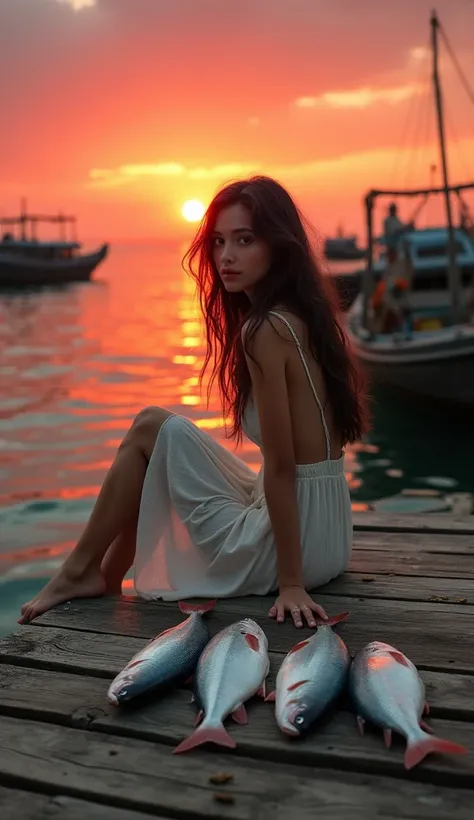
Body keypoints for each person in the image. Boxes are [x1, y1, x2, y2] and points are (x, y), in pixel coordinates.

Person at [19, 176, 368, 630]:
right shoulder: (307, 316)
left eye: (244, 240)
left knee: (149, 429)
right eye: (220, 242)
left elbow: (282, 466)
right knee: (157, 439)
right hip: (330, 531)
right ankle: (101, 575)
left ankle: (81, 571)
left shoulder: (264, 330)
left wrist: (290, 584)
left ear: (278, 246)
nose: (226, 256)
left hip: (294, 544)